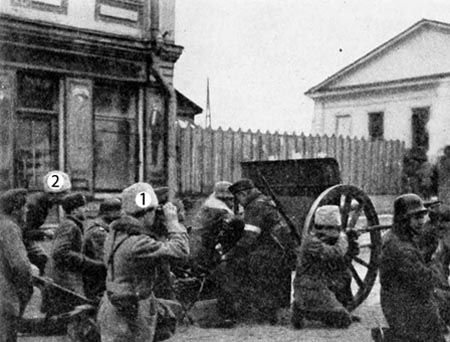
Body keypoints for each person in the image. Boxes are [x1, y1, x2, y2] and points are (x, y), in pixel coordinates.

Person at [97, 182, 189, 342]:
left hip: (112, 305)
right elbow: (181, 250)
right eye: (154, 211)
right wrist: (173, 222)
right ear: (146, 213)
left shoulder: (114, 233)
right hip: (132, 310)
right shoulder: (138, 242)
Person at [215, 178, 294, 325]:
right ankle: (274, 310)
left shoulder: (255, 207)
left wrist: (228, 255)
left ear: (244, 194)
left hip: (270, 253)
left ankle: (253, 311)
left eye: (238, 197)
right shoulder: (265, 201)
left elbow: (249, 238)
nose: (238, 202)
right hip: (282, 250)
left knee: (237, 265)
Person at [379, 193, 446, 342]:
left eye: (422, 217)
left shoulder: (397, 237)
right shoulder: (401, 248)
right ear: (404, 219)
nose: (421, 222)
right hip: (406, 309)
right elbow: (426, 281)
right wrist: (437, 258)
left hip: (399, 302)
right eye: (416, 218)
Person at [43, 192, 106, 316]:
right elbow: (60, 252)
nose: (86, 210)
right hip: (64, 281)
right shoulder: (70, 226)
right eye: (83, 207)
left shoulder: (71, 224)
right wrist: (89, 263)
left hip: (63, 279)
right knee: (71, 315)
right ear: (74, 210)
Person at [291, 205, 353, 329]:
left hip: (321, 284)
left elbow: (342, 260)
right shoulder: (312, 241)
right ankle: (302, 309)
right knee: (344, 320)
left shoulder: (318, 239)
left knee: (345, 275)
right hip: (310, 288)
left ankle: (315, 309)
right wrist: (343, 238)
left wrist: (352, 243)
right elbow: (336, 253)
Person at [0, 188, 34, 342]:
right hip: (5, 298)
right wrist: (26, 288)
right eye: (25, 207)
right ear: (16, 210)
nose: (27, 210)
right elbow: (20, 265)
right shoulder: (10, 228)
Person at [23, 170, 72, 275]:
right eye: (65, 193)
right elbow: (24, 232)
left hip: (24, 241)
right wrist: (44, 233)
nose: (68, 197)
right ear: (53, 195)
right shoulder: (35, 205)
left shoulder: (42, 203)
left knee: (45, 262)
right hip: (16, 241)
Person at [82, 197, 122, 300]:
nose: (121, 215)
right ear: (109, 212)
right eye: (119, 211)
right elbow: (105, 259)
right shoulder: (98, 231)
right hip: (97, 283)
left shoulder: (105, 228)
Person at [194, 181, 236, 269]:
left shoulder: (211, 203)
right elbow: (234, 224)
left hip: (198, 243)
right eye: (231, 199)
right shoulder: (221, 209)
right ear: (224, 198)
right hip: (205, 246)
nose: (233, 204)